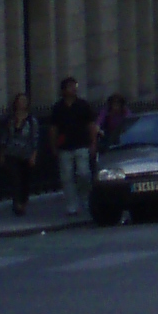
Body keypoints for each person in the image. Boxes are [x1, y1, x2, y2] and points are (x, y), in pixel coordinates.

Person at [48, 75, 96, 218]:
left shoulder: (83, 105)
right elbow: (53, 128)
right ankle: (71, 205)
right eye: (70, 86)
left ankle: (85, 197)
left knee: (83, 173)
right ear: (63, 90)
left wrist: (93, 143)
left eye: (74, 86)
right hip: (65, 146)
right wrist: (53, 146)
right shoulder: (58, 107)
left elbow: (91, 125)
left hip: (81, 143)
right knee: (67, 177)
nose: (73, 89)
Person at [0, 86, 40, 216]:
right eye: (20, 100)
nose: (22, 103)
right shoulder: (10, 120)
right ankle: (17, 203)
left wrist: (33, 155)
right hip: (12, 153)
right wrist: (2, 153)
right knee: (15, 178)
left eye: (24, 100)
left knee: (25, 179)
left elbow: (35, 138)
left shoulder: (31, 121)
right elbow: (5, 137)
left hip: (25, 153)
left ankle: (23, 200)